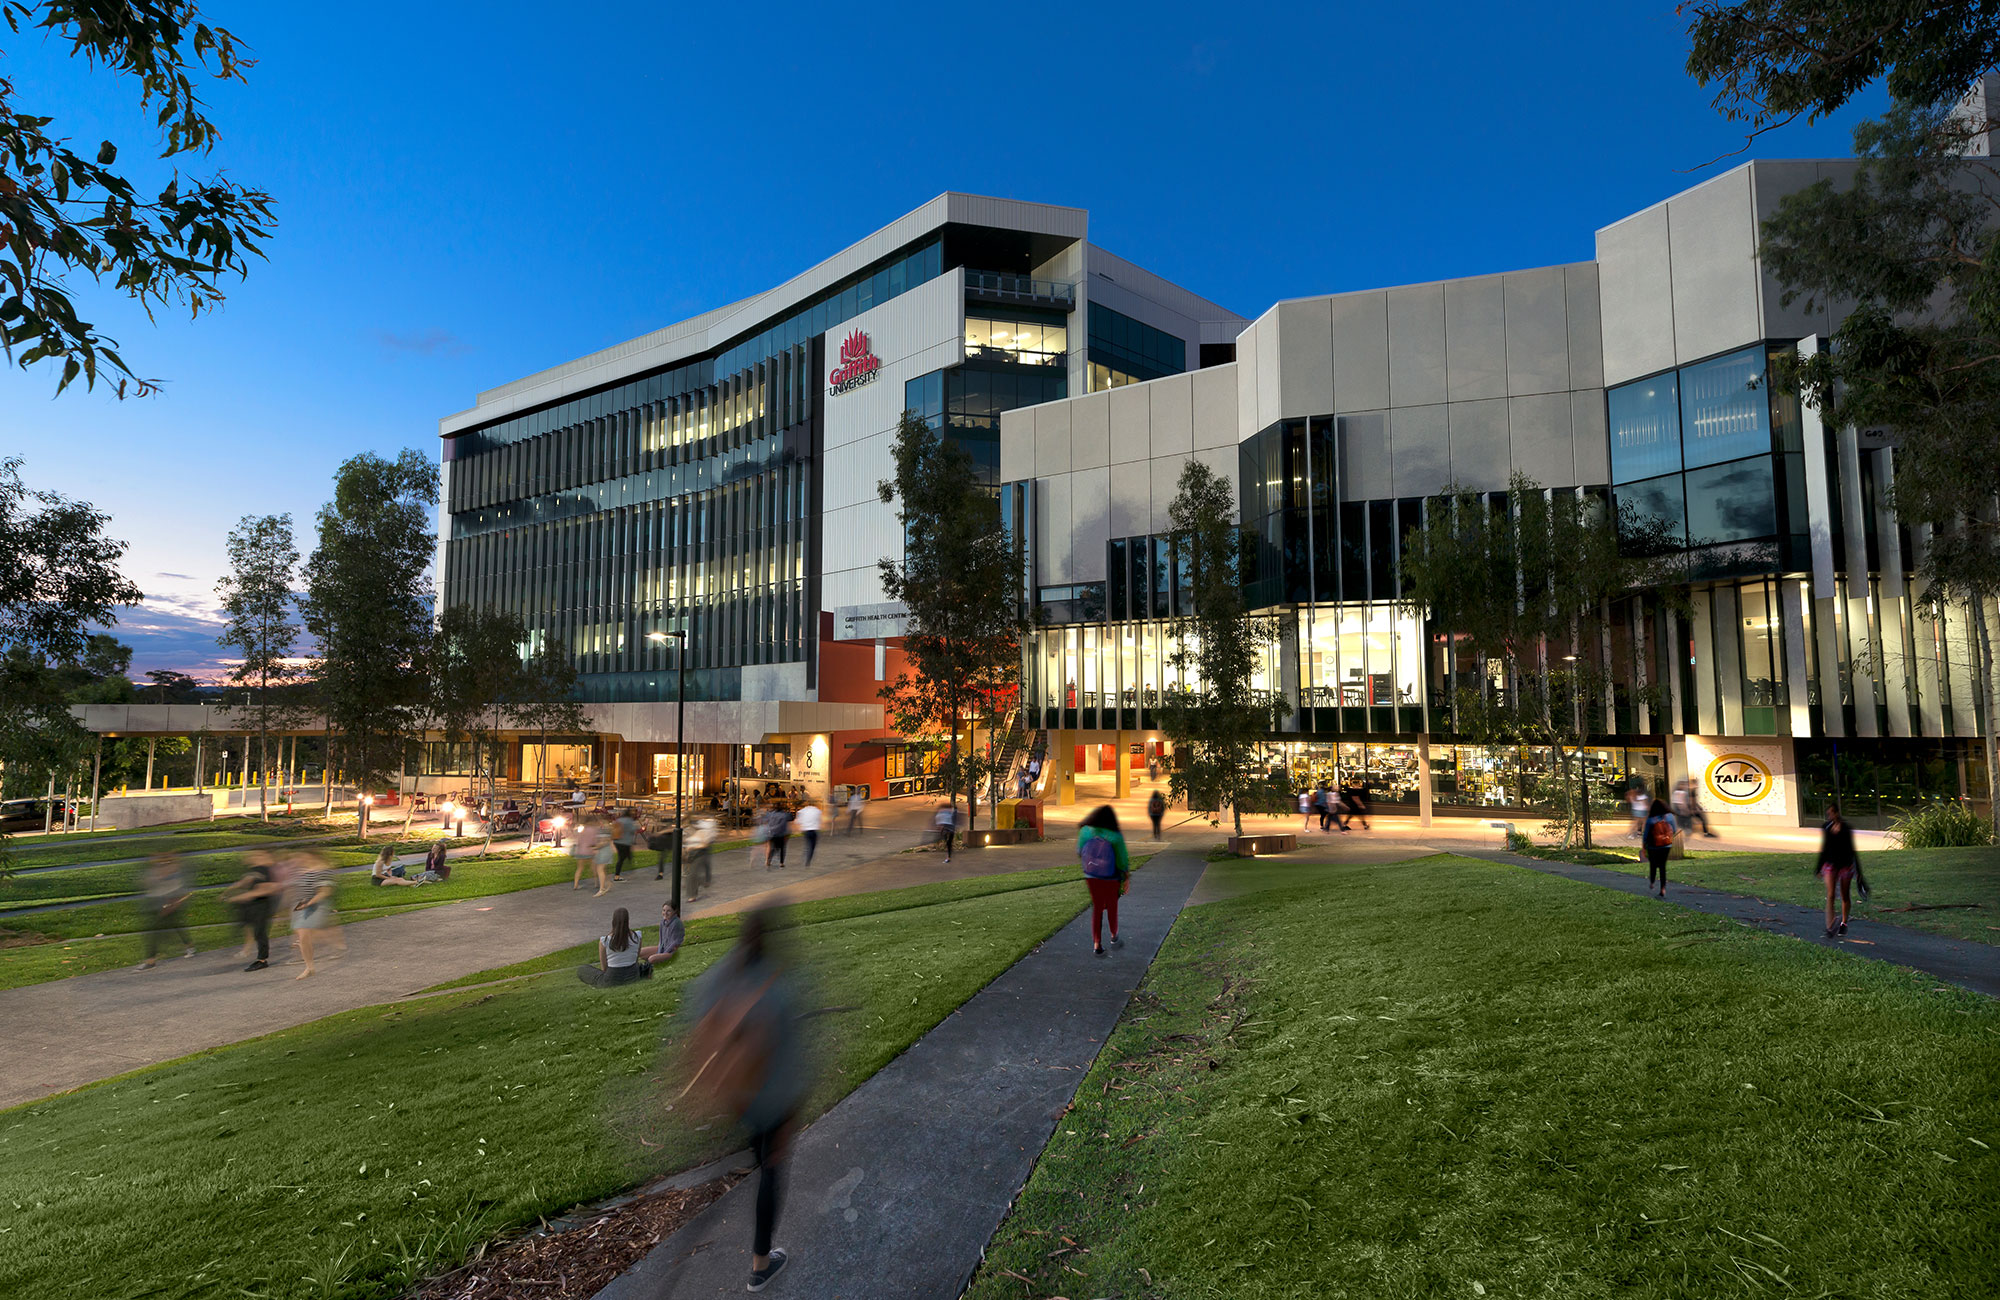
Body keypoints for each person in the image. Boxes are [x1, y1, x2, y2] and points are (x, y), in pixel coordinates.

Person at [683, 908, 806, 1292]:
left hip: (737, 1099)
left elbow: (700, 1033)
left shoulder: (720, 978)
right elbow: (788, 1061)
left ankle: (754, 1155)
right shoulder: (779, 988)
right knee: (771, 1171)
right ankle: (760, 1265)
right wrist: (791, 1114)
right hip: (770, 1101)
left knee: (759, 1156)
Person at [1077, 805, 1131, 957]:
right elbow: (1122, 860)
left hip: (1091, 875)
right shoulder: (1115, 835)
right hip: (1111, 876)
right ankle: (1114, 935)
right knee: (1112, 906)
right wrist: (1126, 877)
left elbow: (1080, 851)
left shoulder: (1085, 831)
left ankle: (1096, 943)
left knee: (1097, 907)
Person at [222, 851, 284, 971]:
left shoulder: (266, 870)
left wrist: (236, 897)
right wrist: (229, 890)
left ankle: (262, 960)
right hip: (254, 904)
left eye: (256, 856)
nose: (252, 858)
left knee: (260, 932)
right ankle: (249, 948)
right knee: (252, 927)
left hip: (263, 904)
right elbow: (245, 881)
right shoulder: (256, 870)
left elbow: (262, 890)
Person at [137, 853, 196, 969]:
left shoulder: (174, 871)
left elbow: (179, 889)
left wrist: (172, 904)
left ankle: (150, 961)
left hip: (168, 903)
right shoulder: (155, 870)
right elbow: (148, 884)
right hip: (157, 902)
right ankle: (190, 946)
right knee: (176, 925)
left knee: (154, 931)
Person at [288, 850, 339, 979]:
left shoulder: (323, 871)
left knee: (304, 934)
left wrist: (309, 903)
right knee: (303, 936)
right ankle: (309, 966)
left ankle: (310, 967)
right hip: (301, 906)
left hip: (315, 905)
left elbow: (324, 892)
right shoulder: (302, 871)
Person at [579, 906, 652, 986]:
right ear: (627, 921)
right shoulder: (637, 936)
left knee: (582, 969)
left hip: (612, 979)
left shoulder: (605, 940)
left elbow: (604, 968)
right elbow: (636, 958)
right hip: (633, 976)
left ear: (613, 921)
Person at [1818, 802, 1861, 938]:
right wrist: (1819, 867)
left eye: (1831, 812)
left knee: (1844, 895)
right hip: (1830, 864)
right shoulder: (1826, 827)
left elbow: (1852, 849)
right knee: (1830, 895)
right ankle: (1830, 926)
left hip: (1845, 864)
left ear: (1836, 813)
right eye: (1828, 813)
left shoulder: (1846, 828)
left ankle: (1843, 923)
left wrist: (1859, 871)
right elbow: (1824, 848)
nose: (1829, 815)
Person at [1641, 797, 1678, 897]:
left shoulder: (1651, 819)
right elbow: (1674, 830)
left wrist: (1644, 846)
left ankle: (1652, 882)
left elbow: (1645, 834)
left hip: (1653, 846)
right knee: (1662, 866)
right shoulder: (1670, 817)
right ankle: (1663, 889)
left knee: (1653, 864)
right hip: (1666, 845)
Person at [643, 900, 685, 966]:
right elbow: (661, 940)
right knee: (641, 952)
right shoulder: (663, 922)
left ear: (674, 911)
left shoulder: (676, 923)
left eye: (669, 911)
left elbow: (675, 943)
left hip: (671, 951)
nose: (665, 913)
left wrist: (662, 953)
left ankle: (650, 964)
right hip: (663, 948)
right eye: (664, 910)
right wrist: (659, 951)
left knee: (651, 959)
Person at [614, 807, 640, 881]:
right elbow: (634, 830)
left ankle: (629, 865)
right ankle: (617, 876)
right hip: (625, 842)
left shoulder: (619, 820)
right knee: (621, 859)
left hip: (617, 841)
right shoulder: (629, 821)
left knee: (623, 856)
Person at [794, 799, 821, 867]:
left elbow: (797, 821)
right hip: (814, 830)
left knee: (807, 844)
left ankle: (805, 856)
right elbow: (819, 820)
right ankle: (808, 859)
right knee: (812, 846)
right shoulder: (817, 810)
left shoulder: (803, 810)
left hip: (806, 830)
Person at [765, 801, 791, 869]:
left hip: (772, 833)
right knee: (782, 848)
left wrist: (770, 829)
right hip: (781, 834)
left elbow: (767, 822)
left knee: (772, 848)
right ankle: (781, 862)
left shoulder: (771, 814)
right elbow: (785, 822)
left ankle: (768, 861)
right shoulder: (784, 815)